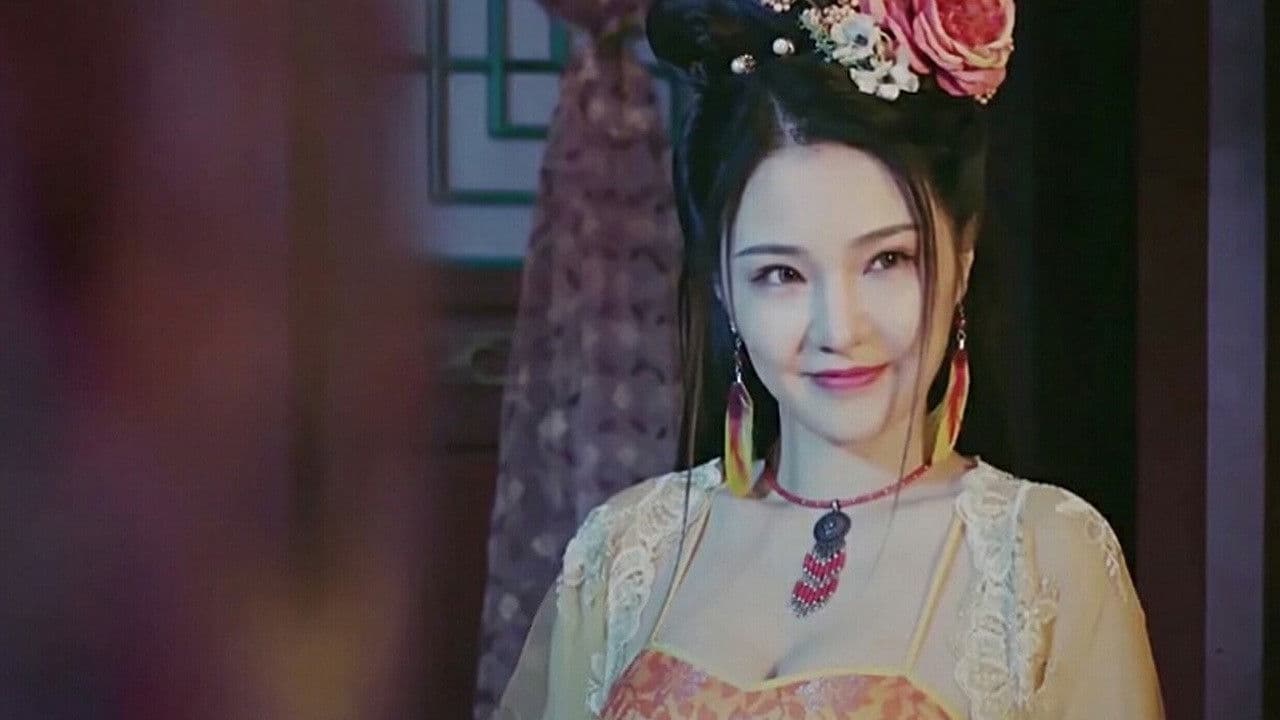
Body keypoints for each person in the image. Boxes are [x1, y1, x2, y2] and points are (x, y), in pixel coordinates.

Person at [492, 0, 1165, 717]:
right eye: (780, 274)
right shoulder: (624, 552)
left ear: (962, 261)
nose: (838, 329)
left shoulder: (1043, 561)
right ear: (723, 289)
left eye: (887, 260)